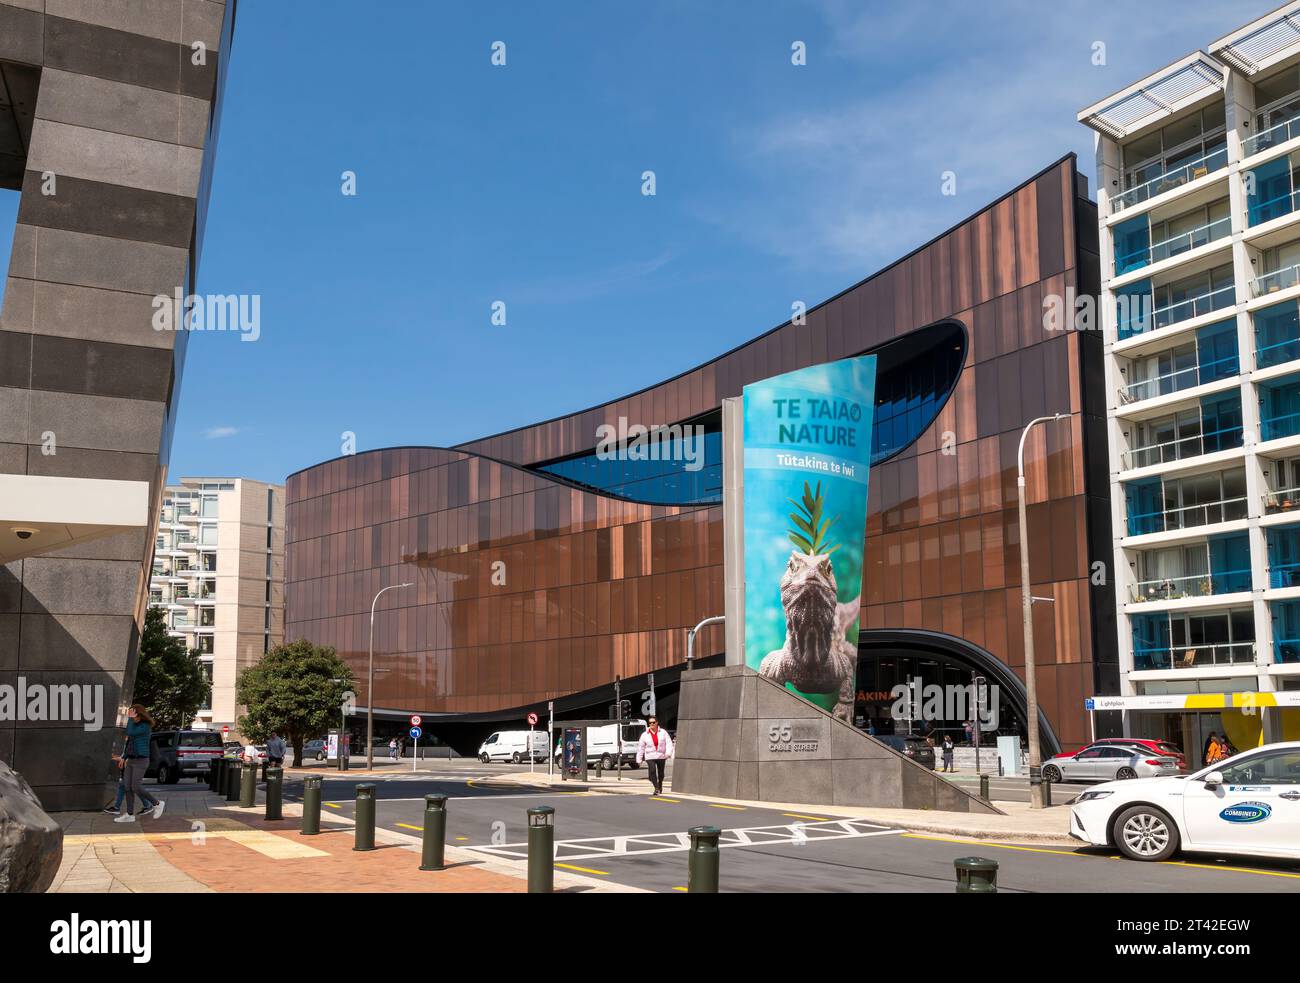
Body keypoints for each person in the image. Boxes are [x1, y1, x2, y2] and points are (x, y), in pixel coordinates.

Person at [113, 704, 164, 823]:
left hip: (141, 760)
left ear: (138, 713)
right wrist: (123, 758)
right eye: (129, 713)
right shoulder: (135, 725)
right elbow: (129, 745)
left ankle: (157, 803)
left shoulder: (145, 726)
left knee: (135, 786)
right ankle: (130, 815)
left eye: (132, 712)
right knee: (127, 787)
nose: (129, 714)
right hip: (130, 760)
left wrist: (130, 719)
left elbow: (130, 732)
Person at [635, 717, 674, 795]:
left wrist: (668, 753)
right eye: (650, 723)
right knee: (652, 771)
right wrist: (639, 759)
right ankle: (656, 788)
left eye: (653, 722)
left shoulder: (663, 732)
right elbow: (641, 748)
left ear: (657, 723)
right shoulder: (644, 734)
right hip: (650, 756)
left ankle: (660, 785)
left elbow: (669, 743)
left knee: (661, 774)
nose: (651, 724)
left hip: (661, 756)